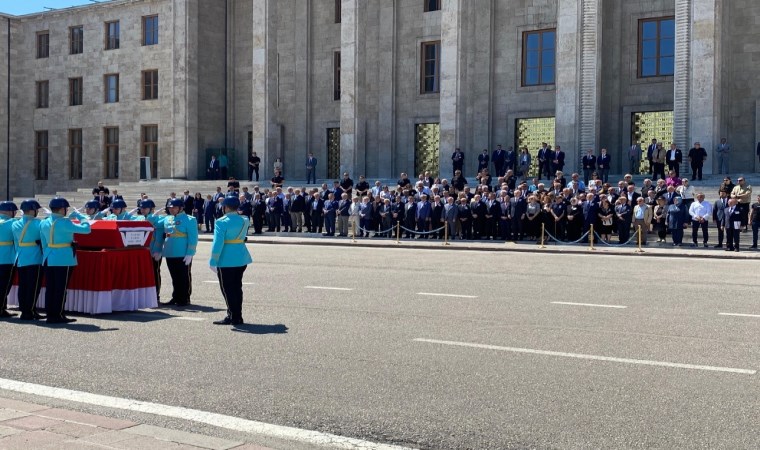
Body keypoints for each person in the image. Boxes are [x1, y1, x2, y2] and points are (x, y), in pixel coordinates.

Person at [39, 197, 92, 324]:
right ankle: (58, 314)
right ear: (62, 209)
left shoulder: (44, 222)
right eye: (66, 209)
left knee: (51, 288)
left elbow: (44, 242)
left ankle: (51, 314)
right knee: (60, 289)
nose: (66, 211)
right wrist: (80, 216)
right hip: (63, 258)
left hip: (48, 257)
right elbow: (86, 229)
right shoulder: (64, 222)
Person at [209, 195, 253, 325]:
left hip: (226, 259)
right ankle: (237, 314)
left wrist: (213, 260)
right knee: (237, 287)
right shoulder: (244, 219)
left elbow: (218, 243)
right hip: (241, 257)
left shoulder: (221, 222)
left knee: (228, 289)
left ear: (226, 207)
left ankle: (233, 316)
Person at [12, 200, 45, 320]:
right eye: (36, 210)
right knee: (33, 287)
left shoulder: (15, 224)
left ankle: (24, 309)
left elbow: (16, 242)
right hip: (34, 258)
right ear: (32, 210)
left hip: (20, 257)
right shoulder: (39, 223)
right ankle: (29, 311)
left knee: (23, 286)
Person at [162, 198, 198, 307]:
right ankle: (176, 296)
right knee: (174, 277)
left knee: (184, 277)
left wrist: (190, 253)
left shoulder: (190, 219)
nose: (172, 209)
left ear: (181, 208)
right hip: (170, 252)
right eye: (170, 208)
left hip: (183, 253)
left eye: (174, 207)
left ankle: (185, 298)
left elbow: (193, 238)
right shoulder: (167, 219)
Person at [0, 202, 19, 318]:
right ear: (8, 211)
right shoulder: (12, 222)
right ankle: (1, 308)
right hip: (7, 258)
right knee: (4, 285)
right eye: (14, 211)